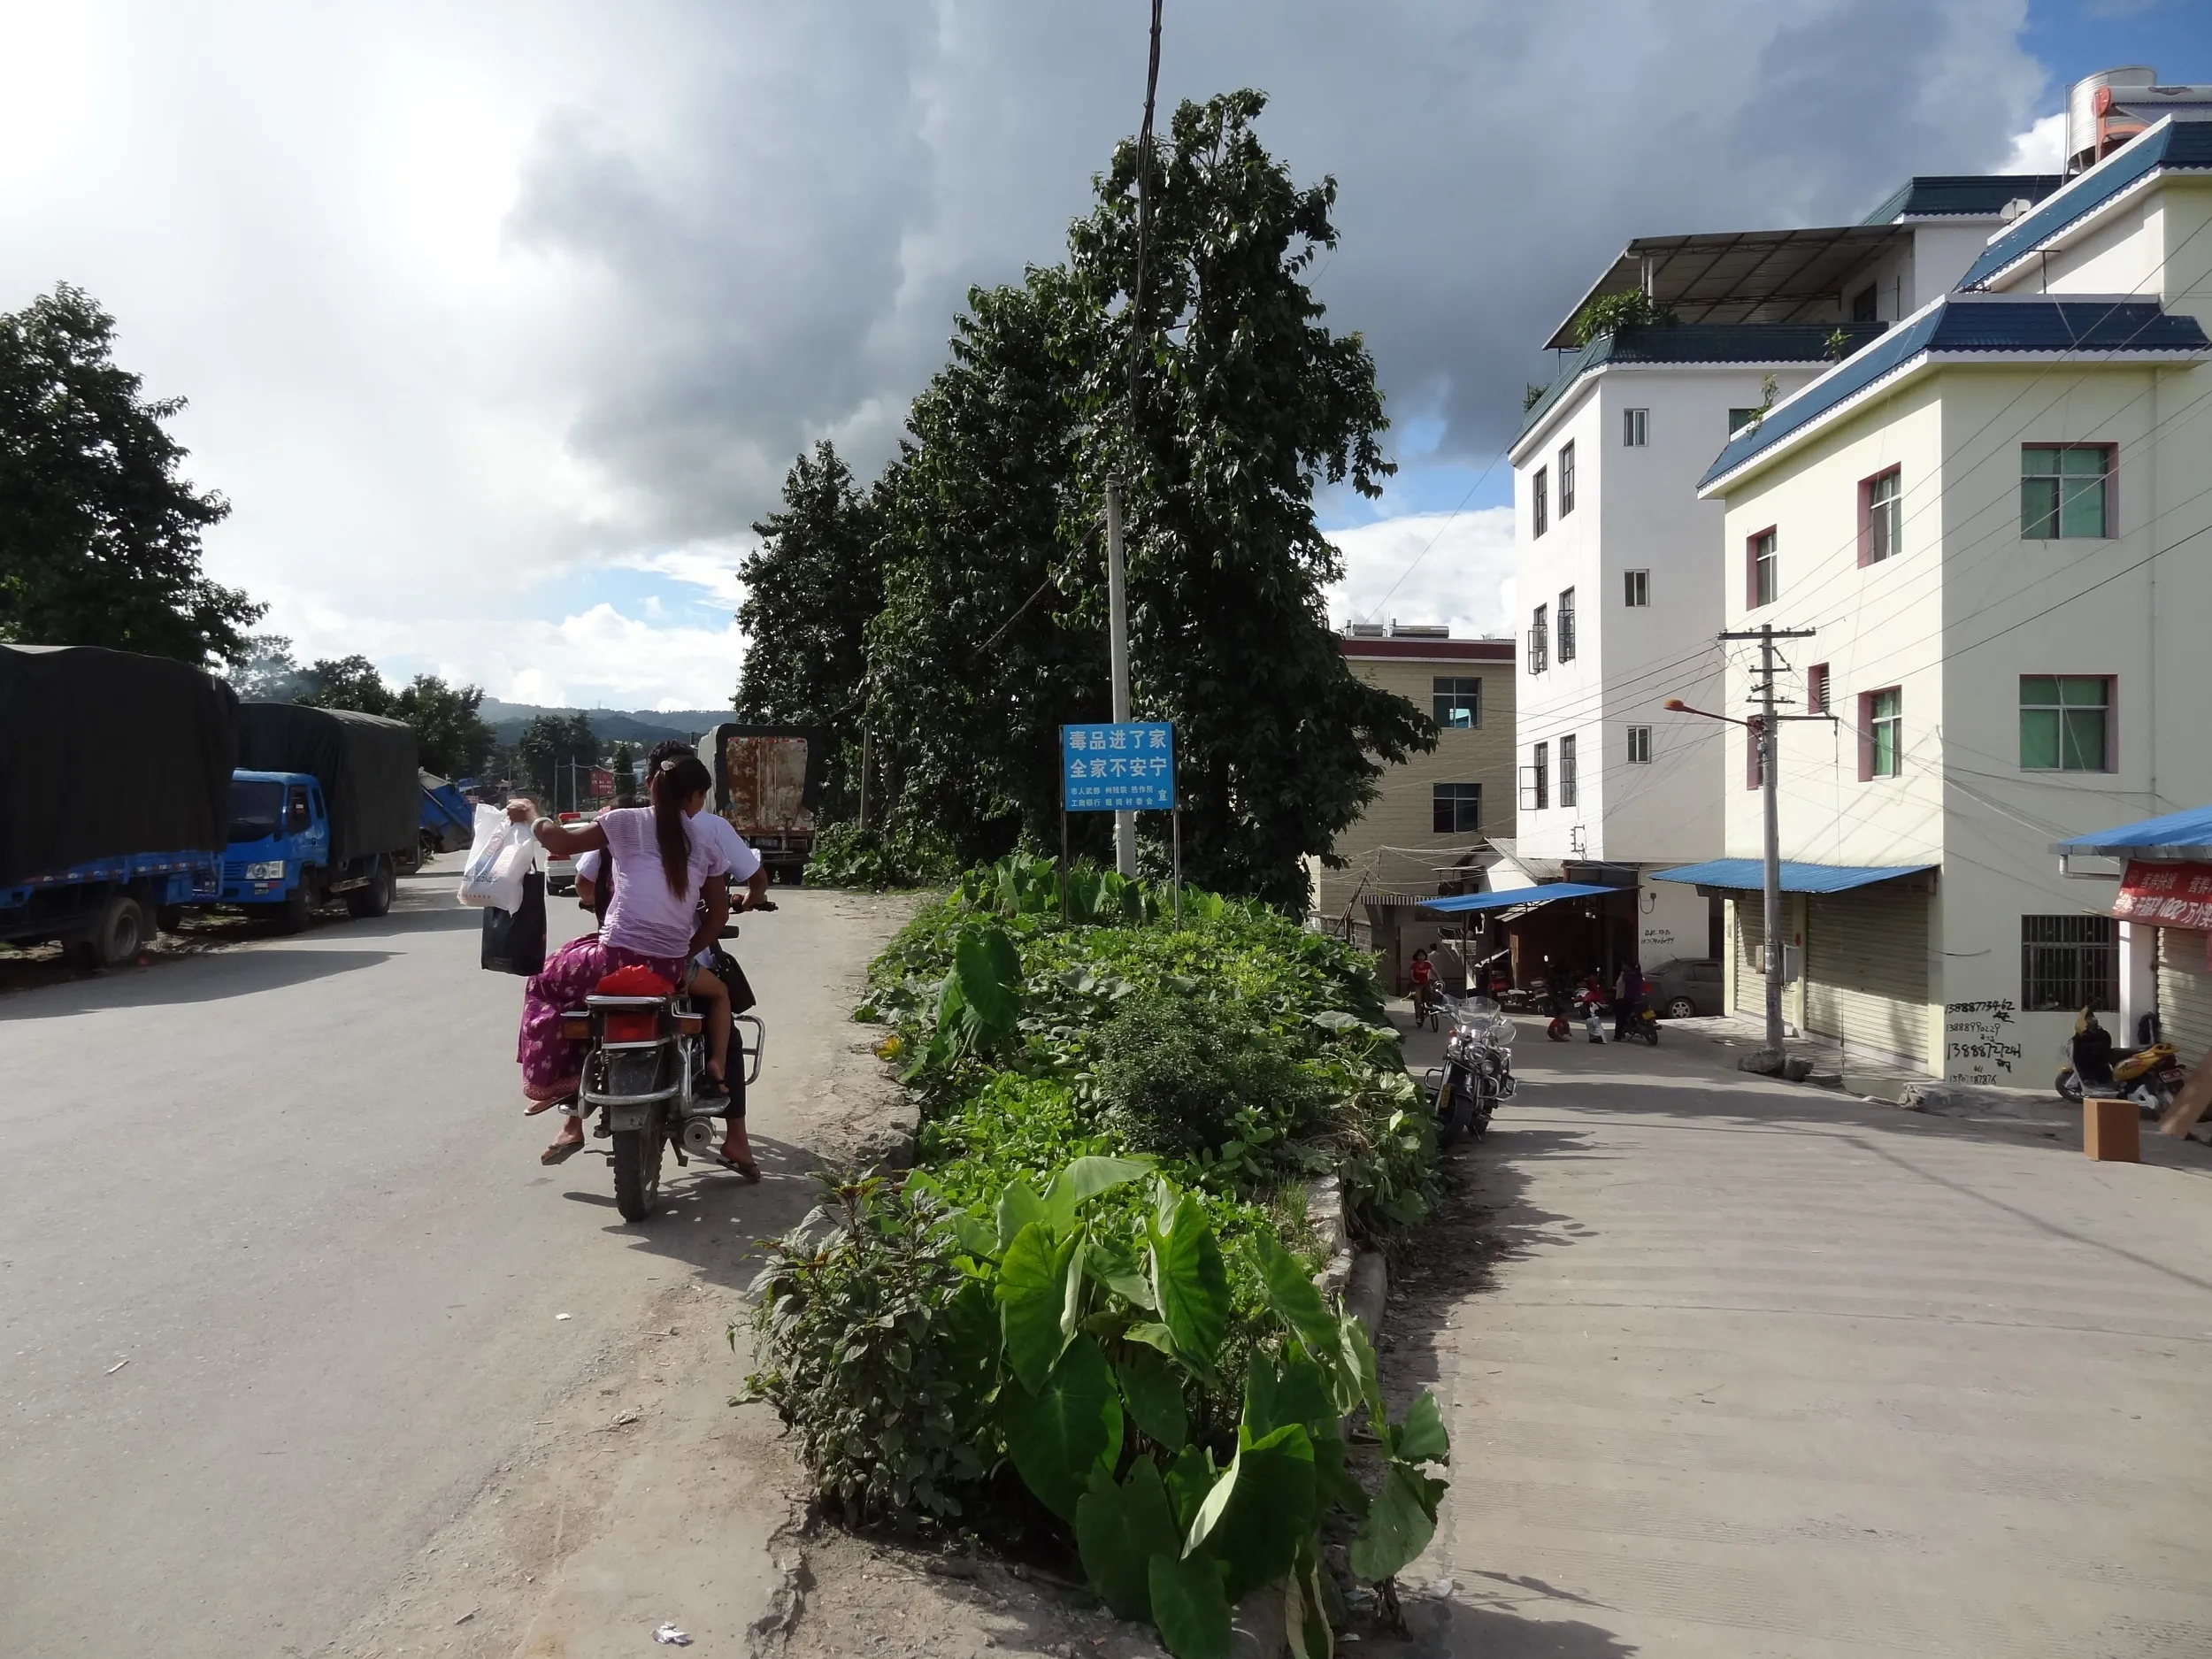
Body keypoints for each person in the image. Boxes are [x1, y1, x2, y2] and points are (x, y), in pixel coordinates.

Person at [516, 754, 743, 1166]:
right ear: (695, 797)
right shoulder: (705, 843)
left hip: (612, 961)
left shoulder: (623, 821)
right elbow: (718, 916)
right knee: (720, 994)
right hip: (668, 969)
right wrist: (682, 954)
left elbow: (560, 843)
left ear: (653, 786)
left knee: (544, 980)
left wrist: (532, 813)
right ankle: (715, 1063)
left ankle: (562, 1084)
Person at [1613, 961, 1648, 1041]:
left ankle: (1618, 1036)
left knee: (1620, 1017)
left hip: (1625, 999)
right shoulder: (1639, 976)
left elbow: (1620, 986)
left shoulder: (1625, 976)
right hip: (1639, 998)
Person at [1409, 948, 1435, 1023]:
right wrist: (1414, 980)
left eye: (1423, 956)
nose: (1421, 957)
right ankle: (1418, 1016)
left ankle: (1428, 1008)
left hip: (1425, 984)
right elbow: (1411, 975)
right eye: (1419, 956)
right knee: (1418, 1000)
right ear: (1416, 957)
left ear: (1425, 957)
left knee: (1430, 995)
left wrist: (1440, 979)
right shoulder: (1414, 965)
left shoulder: (1427, 964)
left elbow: (1435, 972)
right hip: (1416, 985)